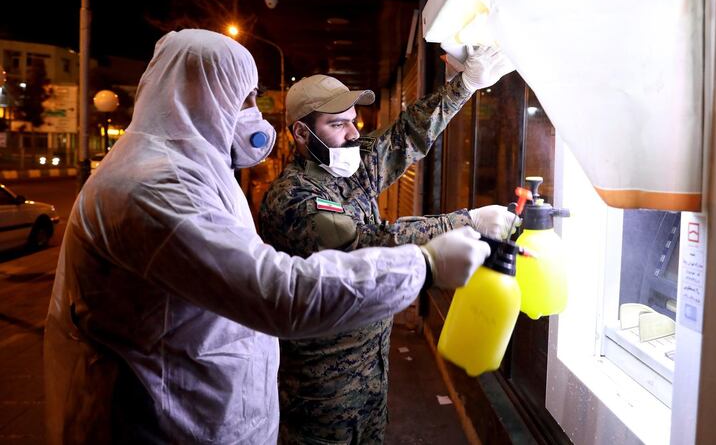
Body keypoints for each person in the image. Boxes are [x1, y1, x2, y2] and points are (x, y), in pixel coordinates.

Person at [42, 29, 491, 445]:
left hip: (353, 383)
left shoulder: (201, 173)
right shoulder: (161, 189)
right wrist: (439, 247)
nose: (254, 116)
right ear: (200, 98)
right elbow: (294, 284)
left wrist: (464, 84)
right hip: (274, 402)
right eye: (244, 99)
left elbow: (404, 138)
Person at [258, 46, 516, 444]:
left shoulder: (347, 167)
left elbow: (404, 137)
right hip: (320, 392)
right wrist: (465, 222)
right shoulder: (291, 198)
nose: (353, 132)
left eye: (352, 120)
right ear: (301, 133)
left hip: (371, 374)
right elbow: (364, 245)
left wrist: (463, 85)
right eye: (336, 124)